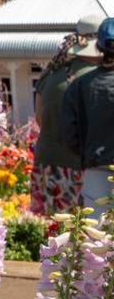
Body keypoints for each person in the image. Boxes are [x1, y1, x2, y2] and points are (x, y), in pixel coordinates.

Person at [30, 14, 103, 214]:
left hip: (45, 162)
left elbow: (39, 118)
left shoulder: (52, 71)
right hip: (82, 169)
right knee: (83, 235)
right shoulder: (98, 78)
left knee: (50, 235)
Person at [61, 16, 114, 217]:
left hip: (96, 173)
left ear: (99, 47)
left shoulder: (78, 86)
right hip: (97, 168)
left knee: (97, 242)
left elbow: (69, 136)